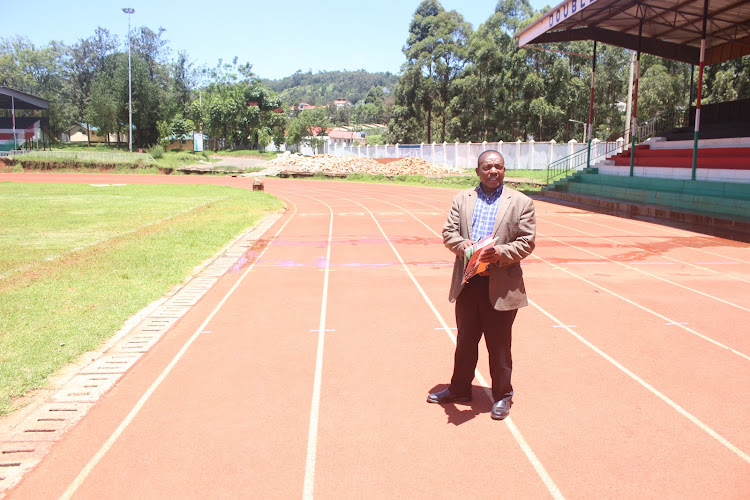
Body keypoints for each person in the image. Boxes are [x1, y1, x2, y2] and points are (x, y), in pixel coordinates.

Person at [428, 150, 536, 420]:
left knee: (499, 345)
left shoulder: (521, 202)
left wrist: (499, 254)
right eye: (487, 167)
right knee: (465, 341)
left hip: (500, 284)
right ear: (478, 171)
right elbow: (449, 233)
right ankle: (460, 388)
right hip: (469, 282)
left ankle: (502, 396)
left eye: (498, 167)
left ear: (504, 170)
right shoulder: (462, 199)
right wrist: (462, 245)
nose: (493, 171)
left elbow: (526, 242)